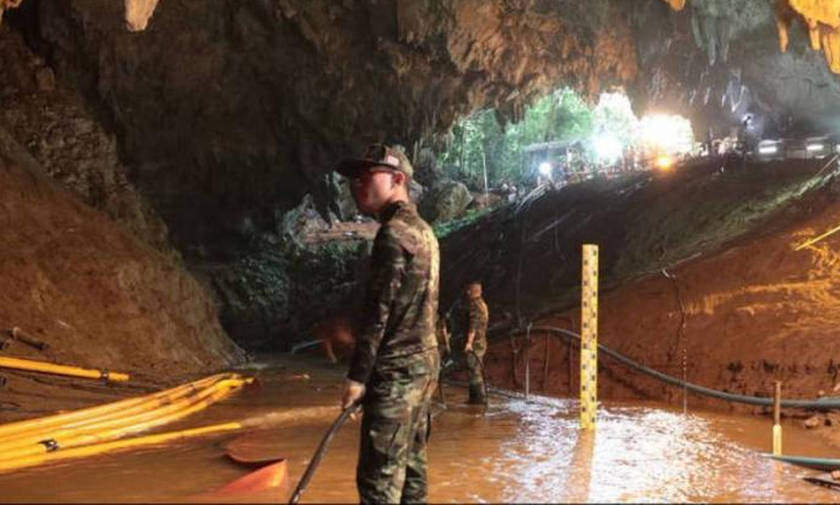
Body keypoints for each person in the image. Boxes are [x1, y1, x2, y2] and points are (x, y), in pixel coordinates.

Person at [336, 143, 441, 504]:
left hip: (395, 375)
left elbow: (378, 313)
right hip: (423, 371)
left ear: (398, 179)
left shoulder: (393, 234)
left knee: (378, 485)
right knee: (412, 475)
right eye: (354, 178)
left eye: (367, 176)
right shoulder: (425, 231)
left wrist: (357, 377)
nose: (357, 184)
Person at [463, 281, 489, 404]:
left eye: (468, 290)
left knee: (474, 370)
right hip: (482, 340)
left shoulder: (474, 305)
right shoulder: (483, 304)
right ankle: (475, 399)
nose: (467, 293)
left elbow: (473, 326)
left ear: (470, 291)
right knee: (475, 369)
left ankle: (478, 399)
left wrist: (469, 342)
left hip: (476, 342)